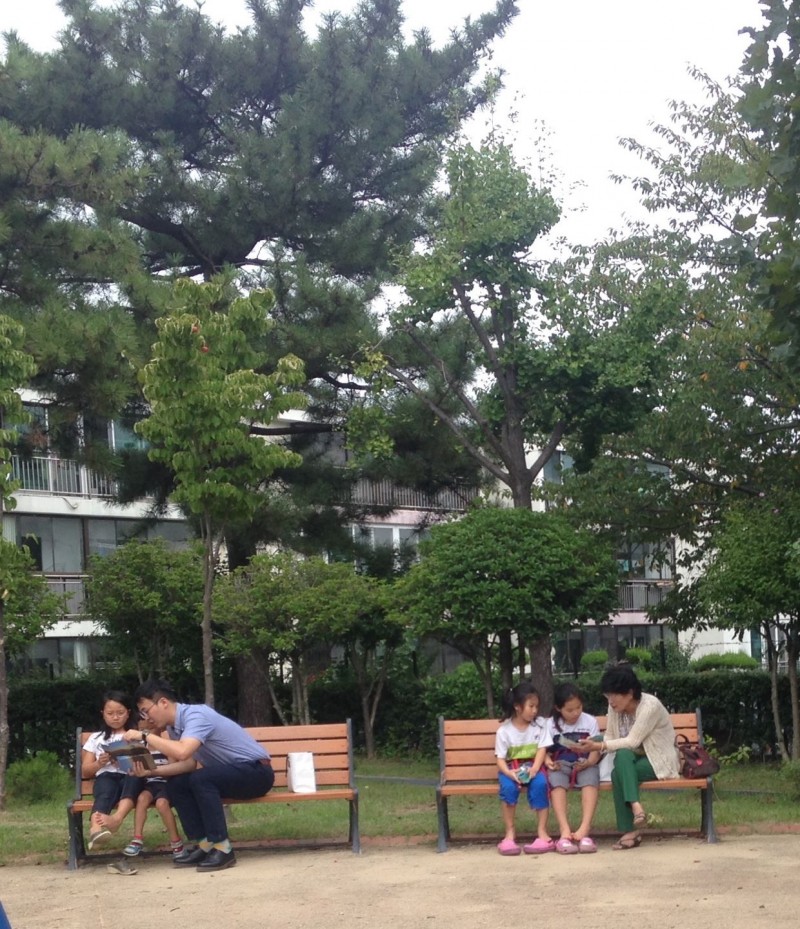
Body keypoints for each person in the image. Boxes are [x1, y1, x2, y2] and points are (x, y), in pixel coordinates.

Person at [121, 679, 274, 872]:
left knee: (201, 778)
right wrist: (151, 772)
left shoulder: (196, 715)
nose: (146, 718)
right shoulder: (174, 727)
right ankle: (205, 844)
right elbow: (188, 763)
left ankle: (223, 848)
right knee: (177, 784)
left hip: (256, 773)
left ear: (163, 702)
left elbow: (183, 751)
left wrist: (144, 735)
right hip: (231, 775)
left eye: (146, 711)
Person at [574, 663, 679, 850]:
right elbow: (611, 737)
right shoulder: (615, 708)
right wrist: (595, 742)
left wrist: (600, 745)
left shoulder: (650, 706)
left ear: (630, 693)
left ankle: (630, 828)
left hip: (658, 759)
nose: (610, 700)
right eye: (607, 695)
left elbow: (632, 741)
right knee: (621, 761)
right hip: (630, 759)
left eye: (614, 695)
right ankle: (636, 810)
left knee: (618, 772)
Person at [95, 719, 189, 860]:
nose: (145, 733)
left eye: (148, 730)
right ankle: (137, 838)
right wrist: (119, 762)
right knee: (142, 798)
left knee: (162, 804)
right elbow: (132, 770)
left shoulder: (166, 745)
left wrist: (156, 767)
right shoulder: (141, 747)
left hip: (165, 783)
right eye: (142, 731)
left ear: (159, 729)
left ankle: (176, 841)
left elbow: (172, 768)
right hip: (149, 783)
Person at [494, 679, 554, 856]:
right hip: (511, 769)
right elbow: (500, 759)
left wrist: (534, 769)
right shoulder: (504, 731)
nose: (535, 711)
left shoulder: (540, 725)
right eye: (531, 706)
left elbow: (542, 749)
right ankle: (510, 832)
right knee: (508, 788)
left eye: (537, 706)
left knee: (540, 785)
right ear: (517, 707)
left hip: (533, 767)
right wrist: (509, 773)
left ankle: (542, 832)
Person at [544, 682, 601, 854]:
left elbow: (596, 749)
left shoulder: (590, 721)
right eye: (570, 710)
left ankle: (585, 829)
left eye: (579, 707)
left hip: (584, 763)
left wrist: (589, 762)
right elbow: (543, 751)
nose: (576, 713)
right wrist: (549, 762)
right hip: (560, 763)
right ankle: (565, 830)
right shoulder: (550, 724)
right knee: (556, 781)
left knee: (590, 780)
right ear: (558, 708)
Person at [81, 690, 140, 850]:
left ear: (128, 713)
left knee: (134, 777)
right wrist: (99, 763)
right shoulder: (96, 738)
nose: (115, 717)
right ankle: (95, 830)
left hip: (131, 776)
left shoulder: (135, 735)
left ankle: (116, 819)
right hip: (107, 776)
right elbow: (85, 771)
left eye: (120, 713)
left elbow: (145, 761)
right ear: (103, 714)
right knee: (105, 790)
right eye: (110, 713)